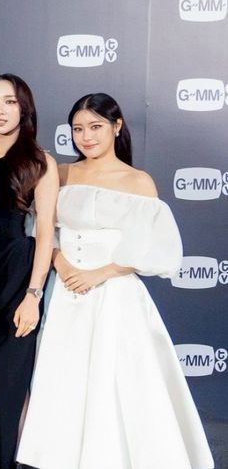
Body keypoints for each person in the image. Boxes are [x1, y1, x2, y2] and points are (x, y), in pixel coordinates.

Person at [16, 93, 213, 469]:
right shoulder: (61, 174)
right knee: (65, 380)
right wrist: (61, 263)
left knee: (117, 381)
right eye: (78, 129)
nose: (86, 137)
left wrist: (99, 273)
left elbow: (150, 247)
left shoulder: (138, 182)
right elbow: (39, 229)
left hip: (114, 296)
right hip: (65, 296)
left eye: (95, 127)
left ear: (116, 126)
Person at [0, 74, 57, 469]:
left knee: (6, 395)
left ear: (24, 109)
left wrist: (33, 295)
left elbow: (46, 230)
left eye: (9, 102)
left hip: (15, 282)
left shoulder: (38, 162)